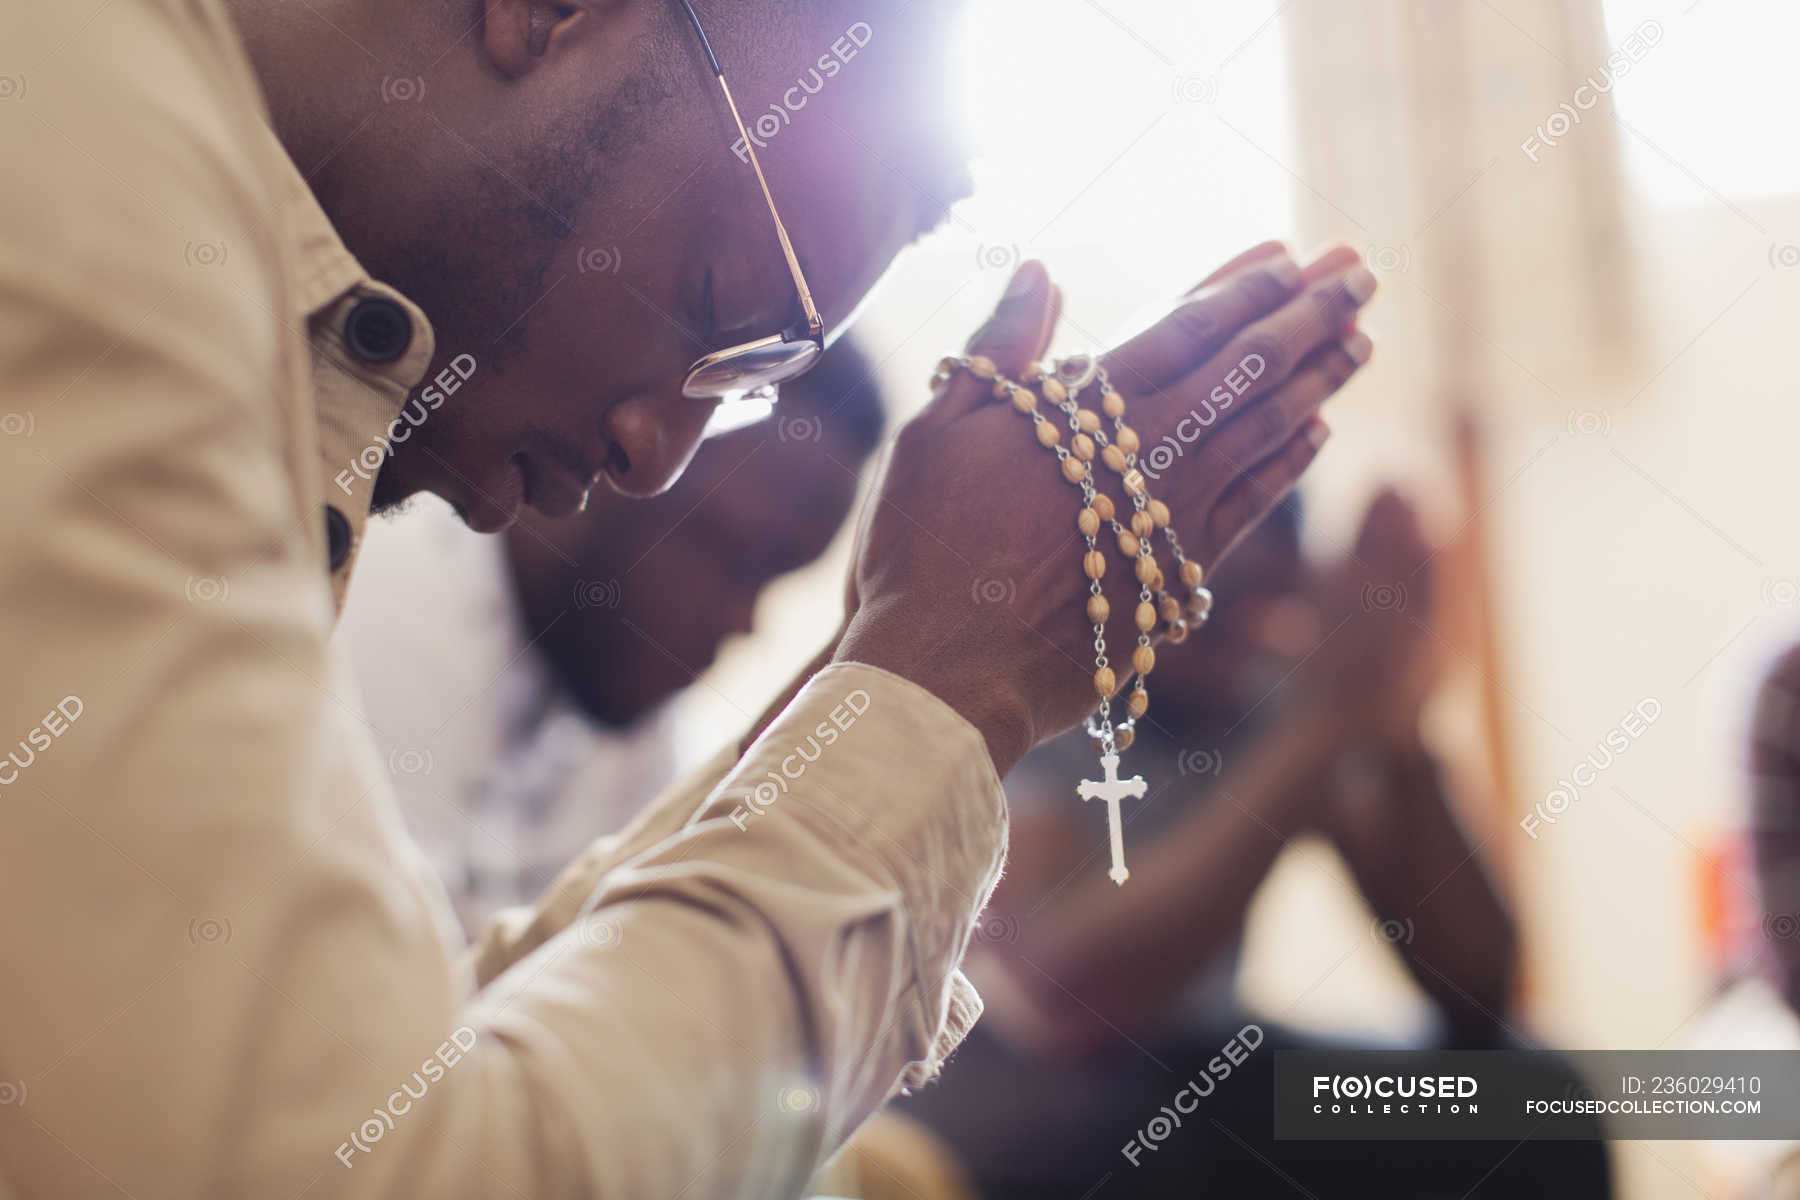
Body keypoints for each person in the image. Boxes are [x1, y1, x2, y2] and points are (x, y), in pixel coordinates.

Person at [0, 0, 1379, 1193]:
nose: (654, 458)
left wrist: (898, 671)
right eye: (715, 308)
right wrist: (948, 690)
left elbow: (373, 1077)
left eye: (744, 391)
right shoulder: (83, 177)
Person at [901, 490, 1611, 1196]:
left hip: (1197, 1076)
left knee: (1536, 1105)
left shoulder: (1270, 697)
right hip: (1005, 1096)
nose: (1245, 640)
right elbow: (1064, 1000)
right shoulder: (1035, 702)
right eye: (1209, 613)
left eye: (1271, 607)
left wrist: (1400, 718)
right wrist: (1321, 734)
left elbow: (1478, 988)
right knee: (1158, 1135)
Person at [339, 339, 885, 931]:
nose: (742, 623)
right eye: (737, 558)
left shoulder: (636, 747)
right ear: (634, 450)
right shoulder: (360, 606)